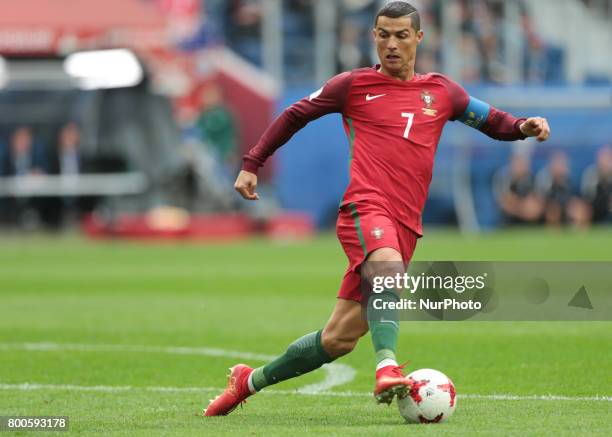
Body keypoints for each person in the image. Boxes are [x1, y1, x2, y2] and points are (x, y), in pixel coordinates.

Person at [204, 1, 551, 417]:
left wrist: (521, 128)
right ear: (374, 36)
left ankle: (249, 380)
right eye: (383, 34)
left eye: (401, 35)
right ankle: (387, 366)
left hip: (406, 226)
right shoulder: (353, 85)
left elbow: (491, 120)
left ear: (419, 38)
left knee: (338, 339)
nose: (391, 44)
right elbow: (296, 114)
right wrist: (251, 164)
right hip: (364, 209)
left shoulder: (442, 92)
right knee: (388, 266)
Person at [537, 151, 590, 228]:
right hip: (548, 208)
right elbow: (541, 198)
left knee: (579, 207)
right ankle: (553, 229)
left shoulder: (569, 178)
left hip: (566, 206)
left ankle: (578, 230)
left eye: (562, 163)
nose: (560, 167)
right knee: (553, 209)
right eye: (557, 163)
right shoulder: (544, 178)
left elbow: (573, 196)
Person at [494, 153, 544, 225]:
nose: (521, 166)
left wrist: (529, 207)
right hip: (508, 218)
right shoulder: (503, 177)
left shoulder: (531, 178)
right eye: (518, 163)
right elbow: (505, 203)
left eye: (524, 163)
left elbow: (537, 202)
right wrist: (522, 209)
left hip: (529, 216)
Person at [581, 145, 612, 223]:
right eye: (602, 159)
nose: (605, 163)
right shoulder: (591, 174)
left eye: (607, 159)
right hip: (594, 208)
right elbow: (587, 197)